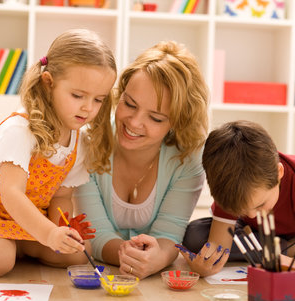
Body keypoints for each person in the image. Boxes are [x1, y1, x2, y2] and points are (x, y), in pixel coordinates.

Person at [0, 29, 117, 277]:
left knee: (78, 252)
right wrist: (48, 234)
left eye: (99, 100)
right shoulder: (21, 129)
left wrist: (61, 230)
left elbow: (62, 197)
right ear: (48, 83)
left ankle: (19, 245)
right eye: (78, 96)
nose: (88, 108)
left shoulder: (78, 141)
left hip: (26, 220)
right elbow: (11, 194)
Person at [74, 41, 209, 280]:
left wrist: (158, 258)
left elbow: (169, 235)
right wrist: (127, 255)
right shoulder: (88, 143)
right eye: (129, 104)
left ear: (177, 122)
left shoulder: (187, 158)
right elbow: (94, 234)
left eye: (156, 118)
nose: (135, 123)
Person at [180, 120, 295, 278]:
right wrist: (204, 266)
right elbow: (218, 246)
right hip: (257, 235)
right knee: (195, 236)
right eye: (242, 211)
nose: (253, 214)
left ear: (279, 173)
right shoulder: (230, 187)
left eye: (260, 204)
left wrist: (291, 266)